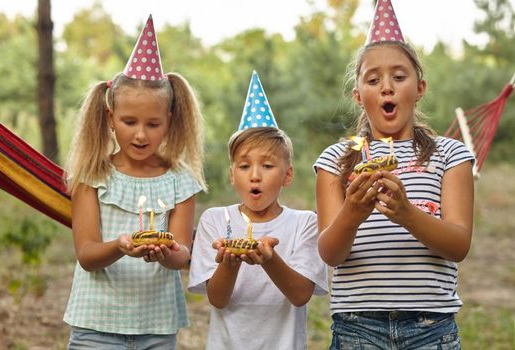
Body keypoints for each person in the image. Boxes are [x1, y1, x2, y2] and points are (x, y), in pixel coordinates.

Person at [314, 1, 474, 349]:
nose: (387, 87)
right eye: (373, 80)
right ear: (359, 95)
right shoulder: (335, 161)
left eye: (399, 77)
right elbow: (330, 253)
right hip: (357, 327)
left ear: (420, 88)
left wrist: (406, 214)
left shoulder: (451, 154)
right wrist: (352, 215)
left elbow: (459, 245)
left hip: (431, 326)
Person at [63, 15, 206, 349]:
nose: (141, 134)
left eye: (153, 124)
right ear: (111, 117)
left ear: (169, 121)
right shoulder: (92, 175)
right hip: (95, 326)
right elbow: (86, 254)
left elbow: (182, 255)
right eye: (129, 121)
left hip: (155, 328)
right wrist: (121, 246)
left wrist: (164, 251)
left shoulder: (180, 181)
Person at [188, 71, 328, 350]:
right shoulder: (215, 221)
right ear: (232, 175)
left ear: (287, 176)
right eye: (244, 166)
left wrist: (269, 259)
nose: (255, 176)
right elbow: (217, 299)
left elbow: (300, 295)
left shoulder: (305, 223)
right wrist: (230, 262)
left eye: (267, 165)